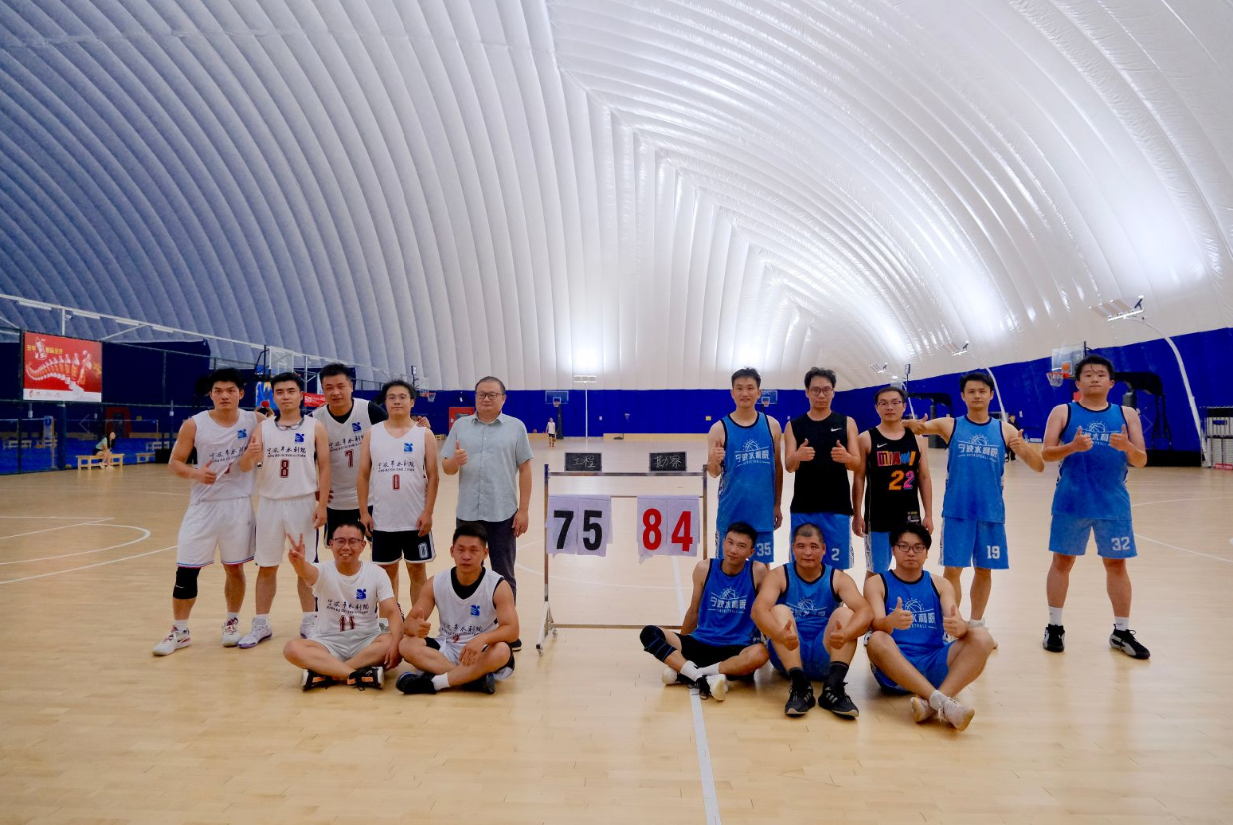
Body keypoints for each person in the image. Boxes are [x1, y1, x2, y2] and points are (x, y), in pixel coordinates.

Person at [903, 372, 1043, 636]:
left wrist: (1023, 448)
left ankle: (977, 623)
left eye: (982, 391)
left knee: (984, 570)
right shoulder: (950, 425)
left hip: (991, 514)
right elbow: (918, 427)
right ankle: (952, 624)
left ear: (990, 395)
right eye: (971, 391)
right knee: (953, 570)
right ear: (963, 396)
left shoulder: (1005, 430)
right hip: (957, 511)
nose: (977, 395)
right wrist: (911, 423)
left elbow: (1039, 466)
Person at [1041, 355, 1150, 659]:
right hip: (1071, 501)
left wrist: (1127, 447)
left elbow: (1141, 459)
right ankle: (1054, 626)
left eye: (1101, 374)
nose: (1094, 378)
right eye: (1087, 374)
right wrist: (1072, 447)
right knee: (1062, 562)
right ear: (1077, 383)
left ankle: (1122, 631)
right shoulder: (1063, 411)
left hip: (1113, 504)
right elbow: (1046, 454)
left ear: (1111, 382)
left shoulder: (1126, 414)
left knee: (1117, 565)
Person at [153, 368, 258, 656]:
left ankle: (231, 623)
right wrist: (195, 473)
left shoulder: (254, 420)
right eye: (218, 391)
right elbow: (175, 463)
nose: (224, 396)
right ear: (210, 394)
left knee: (234, 567)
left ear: (241, 393)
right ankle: (180, 630)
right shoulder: (194, 424)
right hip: (203, 506)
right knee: (186, 570)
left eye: (230, 390)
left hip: (238, 504)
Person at [864, 524, 995, 731]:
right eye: (904, 546)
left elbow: (958, 621)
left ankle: (932, 703)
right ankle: (943, 703)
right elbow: (876, 624)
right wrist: (891, 621)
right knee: (876, 639)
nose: (911, 553)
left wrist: (959, 627)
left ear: (926, 553)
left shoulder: (940, 584)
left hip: (934, 664)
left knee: (982, 637)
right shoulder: (877, 583)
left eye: (918, 548)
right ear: (893, 550)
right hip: (896, 669)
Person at [236, 372, 330, 648]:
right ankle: (261, 623)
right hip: (270, 503)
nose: (286, 396)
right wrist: (250, 456)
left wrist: (322, 504)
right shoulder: (262, 428)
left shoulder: (315, 427)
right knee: (267, 566)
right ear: (273, 396)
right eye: (280, 392)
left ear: (301, 395)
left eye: (291, 391)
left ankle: (309, 620)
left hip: (303, 503)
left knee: (306, 567)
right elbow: (245, 467)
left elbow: (325, 467)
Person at [440, 376, 532, 650]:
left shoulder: (516, 427)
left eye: (493, 394)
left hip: (503, 512)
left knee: (504, 573)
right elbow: (446, 468)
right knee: (466, 570)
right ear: (475, 397)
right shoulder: (461, 426)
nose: (487, 398)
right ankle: (468, 628)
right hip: (468, 512)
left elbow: (525, 469)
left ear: (503, 398)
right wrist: (455, 462)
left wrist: (523, 510)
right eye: (481, 394)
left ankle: (507, 631)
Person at [638, 522, 770, 701]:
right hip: (701, 642)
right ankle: (702, 677)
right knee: (649, 633)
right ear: (723, 542)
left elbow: (764, 612)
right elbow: (693, 612)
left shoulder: (758, 572)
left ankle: (689, 673)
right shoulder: (704, 568)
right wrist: (681, 650)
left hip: (736, 650)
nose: (733, 550)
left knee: (761, 653)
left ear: (751, 552)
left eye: (741, 546)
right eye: (730, 542)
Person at [752, 523, 871, 718]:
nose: (807, 552)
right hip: (788, 652)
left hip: (823, 654)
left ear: (824, 549)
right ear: (793, 548)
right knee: (779, 611)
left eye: (814, 546)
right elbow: (758, 611)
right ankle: (800, 687)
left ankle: (833, 689)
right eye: (801, 546)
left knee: (846, 615)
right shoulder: (779, 575)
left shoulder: (837, 578)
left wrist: (847, 634)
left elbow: (865, 611)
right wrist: (779, 634)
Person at [395, 523, 518, 695]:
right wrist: (412, 627)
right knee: (406, 645)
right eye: (461, 550)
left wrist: (482, 639)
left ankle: (435, 683)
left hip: (481, 651)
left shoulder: (498, 585)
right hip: (447, 648)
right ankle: (471, 679)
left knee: (502, 651)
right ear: (452, 551)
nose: (466, 556)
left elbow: (512, 630)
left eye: (473, 550)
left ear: (485, 553)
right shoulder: (436, 582)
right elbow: (408, 625)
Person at [282, 522, 403, 690]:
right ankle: (357, 675)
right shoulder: (322, 570)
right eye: (340, 541)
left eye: (352, 541)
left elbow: (392, 611)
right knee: (292, 648)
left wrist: (396, 644)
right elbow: (306, 572)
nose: (346, 547)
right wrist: (299, 564)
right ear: (331, 544)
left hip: (366, 642)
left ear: (362, 545)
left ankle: (327, 671)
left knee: (392, 641)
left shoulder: (376, 573)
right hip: (327, 643)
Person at [357, 379, 439, 607]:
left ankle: (416, 620)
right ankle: (391, 621)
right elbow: (362, 475)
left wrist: (428, 512)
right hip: (383, 518)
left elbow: (433, 476)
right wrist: (363, 512)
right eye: (391, 397)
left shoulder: (424, 434)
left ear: (412, 402)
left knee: (417, 570)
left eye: (402, 397)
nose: (397, 401)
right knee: (387, 573)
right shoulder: (372, 433)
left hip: (415, 518)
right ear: (385, 402)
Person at [852, 385, 933, 577]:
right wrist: (857, 514)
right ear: (876, 408)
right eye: (883, 403)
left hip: (909, 516)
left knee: (911, 567)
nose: (890, 407)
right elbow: (859, 477)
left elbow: (924, 477)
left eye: (895, 403)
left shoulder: (918, 439)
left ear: (904, 406)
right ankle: (874, 599)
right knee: (876, 571)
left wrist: (928, 514)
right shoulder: (866, 438)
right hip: (878, 517)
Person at [783, 367, 860, 568]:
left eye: (826, 390)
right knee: (801, 565)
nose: (821, 395)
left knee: (837, 568)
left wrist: (847, 458)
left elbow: (857, 464)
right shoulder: (794, 426)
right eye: (816, 390)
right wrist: (798, 456)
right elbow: (789, 466)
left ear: (833, 392)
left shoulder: (847, 422)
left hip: (837, 507)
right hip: (804, 507)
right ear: (807, 392)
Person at [707, 368, 783, 564]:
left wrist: (777, 504)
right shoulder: (719, 429)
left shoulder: (772, 426)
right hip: (731, 513)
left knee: (762, 571)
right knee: (727, 569)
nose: (745, 393)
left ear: (759, 392)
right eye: (739, 388)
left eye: (750, 388)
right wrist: (715, 460)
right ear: (732, 393)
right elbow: (714, 472)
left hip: (762, 513)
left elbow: (777, 468)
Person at [312, 363, 387, 540]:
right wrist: (313, 488)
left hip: (373, 499)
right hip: (336, 502)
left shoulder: (369, 410)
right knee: (342, 551)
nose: (335, 392)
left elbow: (394, 440)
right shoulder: (315, 420)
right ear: (323, 390)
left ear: (351, 386)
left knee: (381, 551)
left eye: (341, 386)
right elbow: (305, 461)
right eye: (329, 388)